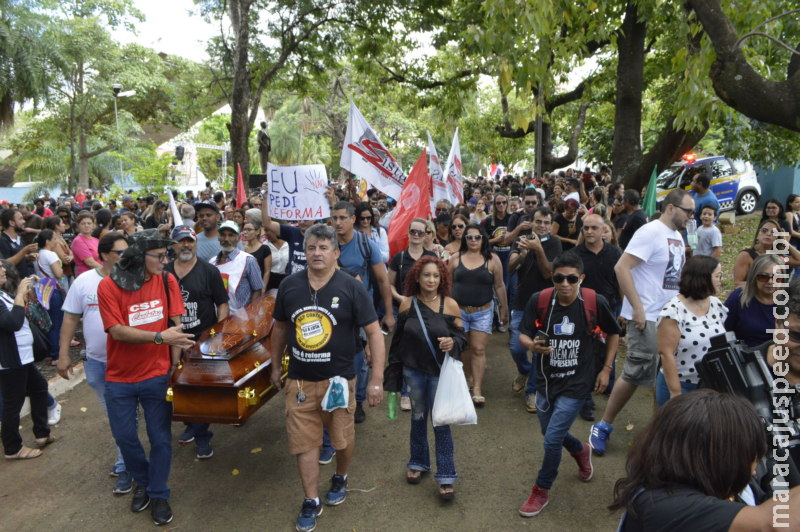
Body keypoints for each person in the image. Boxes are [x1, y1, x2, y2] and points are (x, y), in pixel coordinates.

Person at [269, 224, 385, 532]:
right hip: (300, 383)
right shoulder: (290, 286)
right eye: (311, 248)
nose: (317, 253)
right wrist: (274, 367)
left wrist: (376, 379)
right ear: (304, 252)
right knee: (304, 444)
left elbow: (374, 332)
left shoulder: (351, 286)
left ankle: (341, 476)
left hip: (339, 382)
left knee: (342, 440)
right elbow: (280, 328)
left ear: (336, 253)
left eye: (323, 248)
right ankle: (310, 500)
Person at [97, 229, 194, 526]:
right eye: (160, 256)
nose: (166, 261)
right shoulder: (108, 287)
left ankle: (158, 492)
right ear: (140, 256)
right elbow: (116, 331)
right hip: (119, 378)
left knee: (161, 438)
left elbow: (176, 328)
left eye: (167, 255)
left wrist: (172, 367)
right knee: (126, 439)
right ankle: (143, 480)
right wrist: (158, 338)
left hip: (157, 375)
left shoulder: (167, 281)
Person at [590, 189, 695, 456]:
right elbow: (621, 267)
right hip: (646, 317)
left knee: (666, 374)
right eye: (688, 211)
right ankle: (603, 426)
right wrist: (636, 308)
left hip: (670, 317)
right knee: (636, 372)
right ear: (671, 208)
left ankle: (661, 432)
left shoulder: (677, 236)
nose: (691, 216)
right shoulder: (649, 232)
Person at [517, 253, 620, 517]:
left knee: (551, 440)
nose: (564, 283)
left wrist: (606, 370)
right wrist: (531, 346)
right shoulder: (539, 301)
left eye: (571, 279)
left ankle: (541, 489)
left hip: (578, 382)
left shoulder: (594, 302)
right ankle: (580, 449)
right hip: (545, 382)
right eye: (558, 278)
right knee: (550, 432)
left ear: (581, 279)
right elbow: (523, 334)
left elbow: (614, 333)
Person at [610, 389, 799, 531]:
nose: (755, 471)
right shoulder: (663, 506)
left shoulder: (730, 488)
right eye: (752, 460)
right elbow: (774, 524)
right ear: (723, 460)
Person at [386, 255, 466, 500]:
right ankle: (418, 462)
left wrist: (453, 341)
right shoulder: (407, 305)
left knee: (441, 423)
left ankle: (446, 475)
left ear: (442, 279)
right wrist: (393, 378)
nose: (431, 279)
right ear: (417, 278)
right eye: (426, 275)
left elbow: (463, 340)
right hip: (413, 372)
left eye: (436, 275)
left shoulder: (450, 305)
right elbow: (397, 344)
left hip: (440, 374)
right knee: (418, 419)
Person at [58, 232, 132, 492]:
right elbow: (70, 319)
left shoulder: (133, 280)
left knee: (123, 415)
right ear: (103, 255)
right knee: (116, 415)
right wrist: (64, 354)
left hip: (129, 364)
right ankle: (127, 458)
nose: (126, 256)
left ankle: (126, 463)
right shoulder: (84, 282)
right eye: (120, 253)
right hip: (97, 363)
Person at [165, 225, 229, 459]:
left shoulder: (209, 271)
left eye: (190, 241)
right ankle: (190, 425)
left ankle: (202, 437)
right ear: (173, 245)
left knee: (200, 392)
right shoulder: (163, 273)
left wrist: (217, 334)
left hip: (202, 340)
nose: (186, 245)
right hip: (171, 341)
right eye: (181, 241)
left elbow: (222, 303)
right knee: (177, 387)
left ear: (196, 244)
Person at [331, 201, 394, 423]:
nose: (337, 222)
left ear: (352, 220)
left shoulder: (366, 244)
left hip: (361, 311)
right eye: (334, 218)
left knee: (364, 355)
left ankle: (357, 401)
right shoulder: (326, 243)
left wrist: (388, 313)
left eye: (342, 218)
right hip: (333, 312)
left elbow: (382, 280)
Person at [508, 207, 562, 412]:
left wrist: (538, 249)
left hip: (546, 305)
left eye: (546, 223)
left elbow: (549, 273)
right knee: (516, 347)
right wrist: (522, 254)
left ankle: (532, 391)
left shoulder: (555, 243)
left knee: (539, 351)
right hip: (522, 302)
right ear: (532, 222)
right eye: (539, 221)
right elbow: (510, 267)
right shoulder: (521, 238)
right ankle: (524, 370)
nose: (542, 226)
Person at [571, 214, 623, 420]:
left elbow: (621, 283)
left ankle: (609, 385)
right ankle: (585, 401)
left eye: (594, 228)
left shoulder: (616, 253)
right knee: (584, 355)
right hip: (583, 312)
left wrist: (624, 313)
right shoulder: (576, 255)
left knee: (610, 349)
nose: (589, 232)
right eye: (586, 228)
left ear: (604, 231)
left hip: (609, 309)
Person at [449, 223, 508, 406]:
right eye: (469, 237)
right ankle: (468, 380)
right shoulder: (455, 259)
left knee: (479, 349)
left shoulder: (493, 260)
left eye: (477, 237)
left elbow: (499, 285)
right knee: (464, 348)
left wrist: (504, 309)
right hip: (458, 311)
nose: (473, 240)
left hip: (483, 311)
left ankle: (477, 389)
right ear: (464, 239)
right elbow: (449, 285)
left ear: (483, 239)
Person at [656, 255, 726, 406]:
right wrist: (675, 393)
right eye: (717, 276)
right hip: (681, 386)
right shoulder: (673, 311)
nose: (721, 280)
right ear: (703, 278)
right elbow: (666, 353)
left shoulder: (715, 304)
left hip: (710, 386)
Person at [0, 268, 53, 460]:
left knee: (39, 388)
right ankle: (13, 448)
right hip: (10, 361)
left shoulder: (2, 292)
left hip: (21, 358)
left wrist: (26, 290)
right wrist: (21, 293)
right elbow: (12, 322)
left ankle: (41, 433)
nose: (4, 269)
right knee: (12, 404)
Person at [724, 253, 782, 348]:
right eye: (763, 277)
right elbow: (724, 331)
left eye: (777, 277)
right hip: (745, 355)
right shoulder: (738, 298)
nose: (770, 282)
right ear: (754, 277)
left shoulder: (789, 302)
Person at [210, 221, 263, 313]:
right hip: (216, 318)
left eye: (231, 235)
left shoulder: (248, 260)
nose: (226, 239)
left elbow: (257, 290)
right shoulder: (212, 262)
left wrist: (251, 314)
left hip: (241, 321)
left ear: (238, 238)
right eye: (223, 235)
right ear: (218, 238)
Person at [732, 218, 800, 288]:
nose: (768, 234)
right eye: (764, 230)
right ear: (758, 234)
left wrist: (786, 243)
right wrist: (763, 284)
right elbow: (737, 284)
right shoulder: (746, 255)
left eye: (773, 232)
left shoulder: (778, 257)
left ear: (778, 238)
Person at [35, 229, 66, 365]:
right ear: (47, 241)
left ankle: (50, 352)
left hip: (42, 290)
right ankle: (56, 355)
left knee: (47, 322)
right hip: (53, 290)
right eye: (54, 238)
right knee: (56, 322)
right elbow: (58, 274)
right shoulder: (51, 254)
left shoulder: (38, 255)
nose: (56, 241)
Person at [0, 208, 38, 278]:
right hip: (13, 285)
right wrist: (24, 251)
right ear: (12, 223)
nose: (24, 221)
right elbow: (5, 264)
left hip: (24, 280)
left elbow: (19, 258)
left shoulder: (19, 238)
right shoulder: (2, 240)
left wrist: (28, 258)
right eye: (20, 219)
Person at [241, 219, 272, 295]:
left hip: (258, 288)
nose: (245, 232)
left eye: (249, 229)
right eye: (244, 229)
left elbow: (267, 271)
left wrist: (263, 289)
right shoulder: (241, 249)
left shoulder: (265, 249)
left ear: (257, 232)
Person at [71, 212, 102, 277]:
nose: (86, 225)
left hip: (98, 274)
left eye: (89, 223)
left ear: (93, 225)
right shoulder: (78, 241)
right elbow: (90, 263)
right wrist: (106, 271)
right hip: (87, 276)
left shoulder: (96, 240)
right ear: (78, 225)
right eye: (83, 223)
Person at [264, 224, 288, 291]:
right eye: (265, 231)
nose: (266, 233)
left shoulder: (288, 244)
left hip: (286, 278)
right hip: (271, 280)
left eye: (268, 230)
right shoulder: (265, 246)